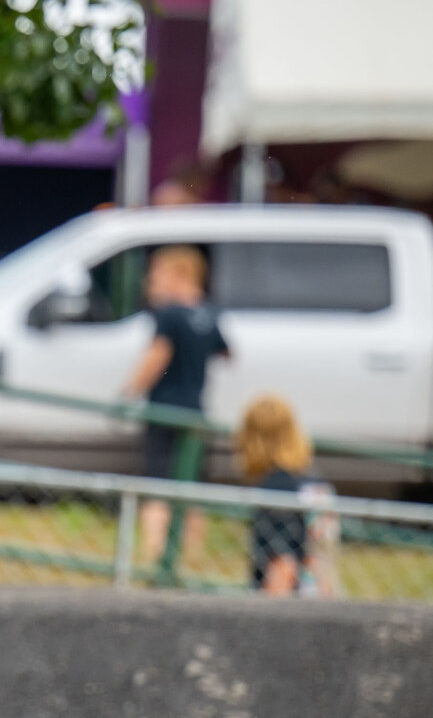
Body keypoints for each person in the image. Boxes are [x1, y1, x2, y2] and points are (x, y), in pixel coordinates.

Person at [123, 243, 230, 556]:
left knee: (157, 480)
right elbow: (227, 352)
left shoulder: (168, 314)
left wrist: (130, 389)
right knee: (190, 481)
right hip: (196, 410)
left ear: (178, 274)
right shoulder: (209, 313)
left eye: (155, 275)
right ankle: (191, 550)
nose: (149, 283)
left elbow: (158, 355)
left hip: (165, 409)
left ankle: (154, 550)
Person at [238, 394, 332, 597]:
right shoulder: (314, 479)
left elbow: (282, 563)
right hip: (320, 592)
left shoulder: (276, 486)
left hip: (289, 601)